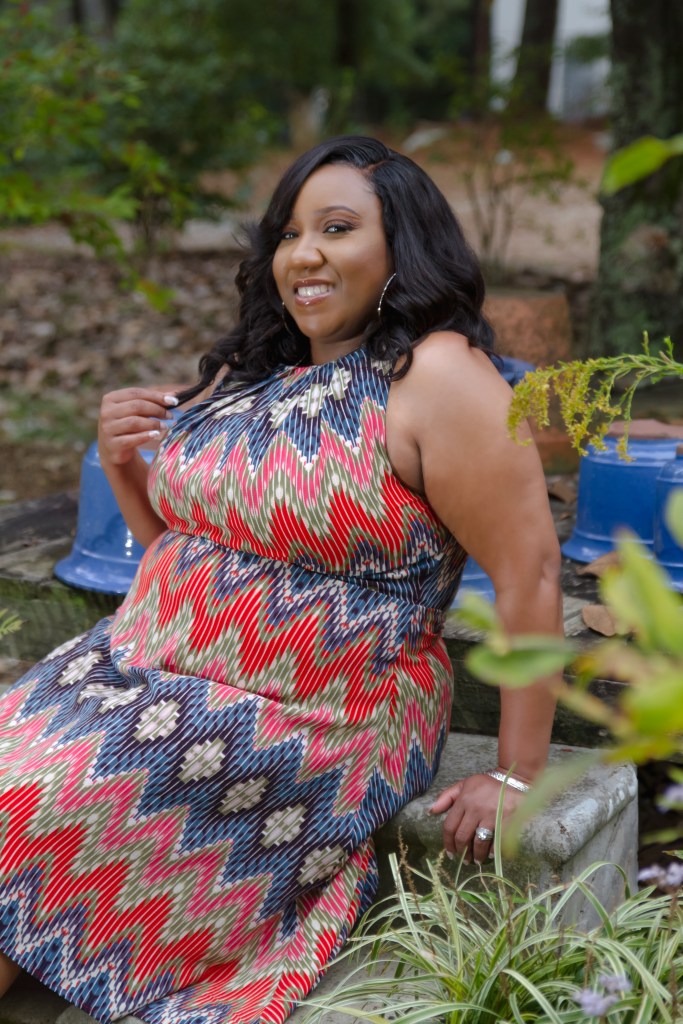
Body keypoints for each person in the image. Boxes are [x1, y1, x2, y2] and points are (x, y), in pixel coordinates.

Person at [0, 136, 561, 1024]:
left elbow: (530, 573)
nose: (303, 254)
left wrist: (517, 775)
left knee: (37, 802)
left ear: (403, 245)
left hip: (316, 713)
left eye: (335, 228)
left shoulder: (437, 377)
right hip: (138, 671)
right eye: (289, 233)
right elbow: (186, 553)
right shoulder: (261, 370)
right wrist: (121, 466)